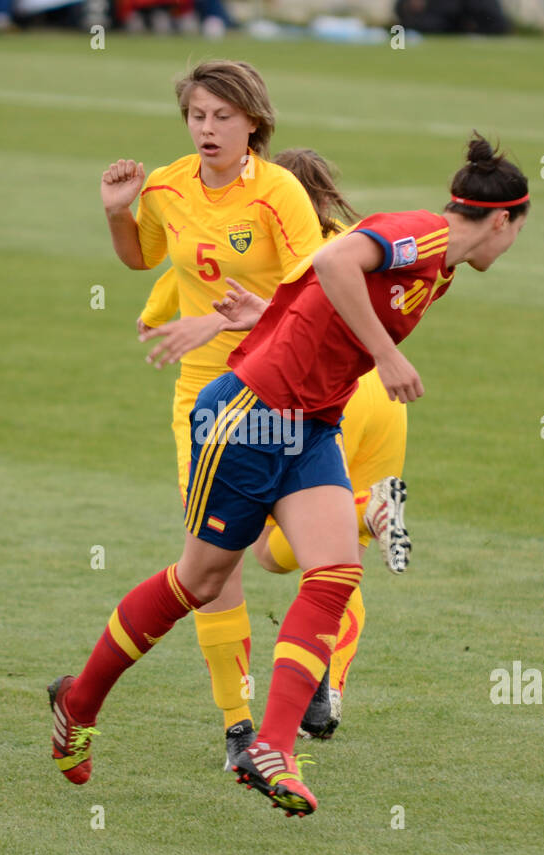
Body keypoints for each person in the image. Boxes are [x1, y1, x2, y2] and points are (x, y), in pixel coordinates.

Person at [52, 136, 529, 816]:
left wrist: (269, 312)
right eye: (513, 235)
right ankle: (78, 700)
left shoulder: (440, 266)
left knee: (334, 570)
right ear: (504, 221)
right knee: (201, 579)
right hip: (248, 413)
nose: (507, 248)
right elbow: (336, 257)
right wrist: (385, 353)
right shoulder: (423, 234)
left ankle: (274, 748)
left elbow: (314, 276)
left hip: (311, 426)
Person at [140, 147, 412, 746]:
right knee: (333, 558)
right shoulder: (355, 240)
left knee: (244, 557)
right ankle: (328, 677)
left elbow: (160, 306)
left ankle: (239, 725)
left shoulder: (247, 248)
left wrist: (182, 312)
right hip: (374, 397)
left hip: (284, 394)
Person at [99, 60, 326, 773]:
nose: (207, 129)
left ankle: (319, 677)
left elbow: (316, 295)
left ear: (253, 121)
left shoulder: (279, 194)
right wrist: (117, 212)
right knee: (214, 566)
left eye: (223, 117)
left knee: (310, 555)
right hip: (205, 401)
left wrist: (237, 324)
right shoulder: (166, 186)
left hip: (285, 386)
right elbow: (144, 258)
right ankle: (238, 723)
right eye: (198, 116)